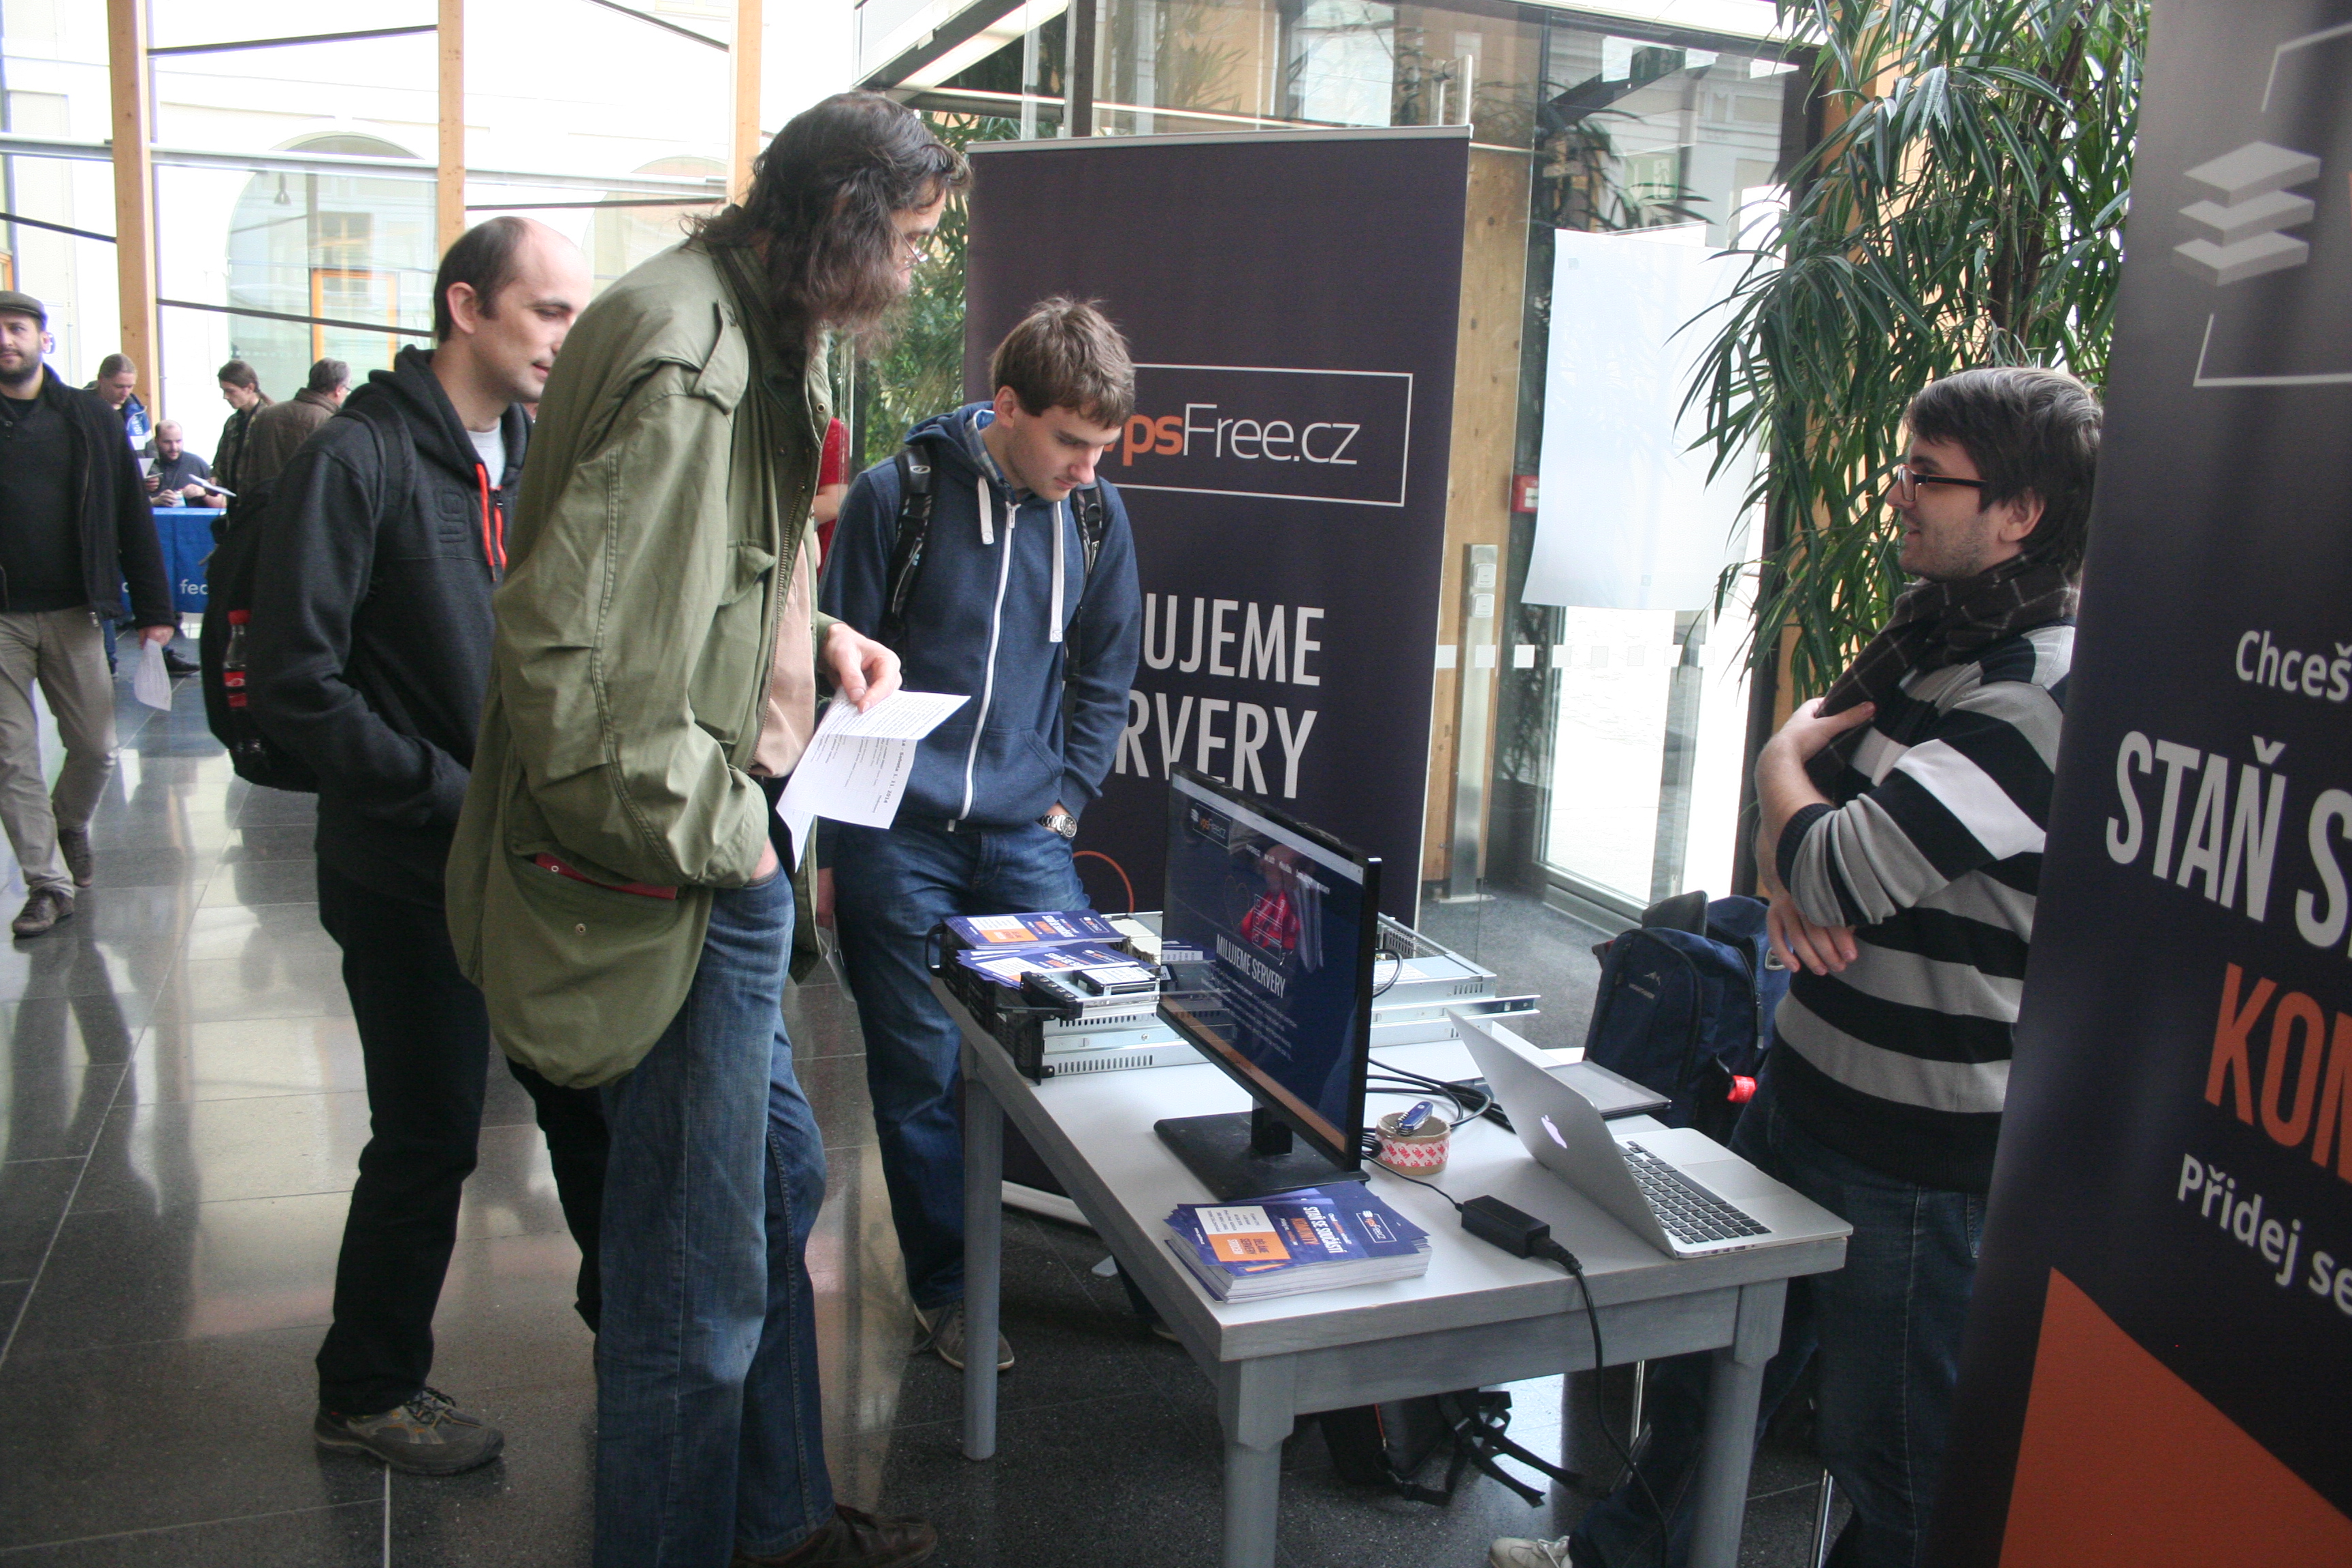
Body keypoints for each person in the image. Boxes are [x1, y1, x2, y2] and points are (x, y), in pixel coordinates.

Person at [447, 92, 954, 1567]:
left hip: (703, 850)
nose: (918, 270)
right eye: (913, 239)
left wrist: (818, 637)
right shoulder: (694, 358)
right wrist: (730, 836)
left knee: (774, 1188)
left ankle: (779, 1521)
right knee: (693, 1285)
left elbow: (702, 572)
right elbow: (569, 661)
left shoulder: (742, 316)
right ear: (847, 224)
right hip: (681, 867)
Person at [1495, 367, 2100, 1568]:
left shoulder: (2036, 693)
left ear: (2020, 512)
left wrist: (1782, 767)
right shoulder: (1929, 639)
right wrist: (1796, 864)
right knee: (1715, 1387)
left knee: (1896, 1462)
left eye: (1926, 475)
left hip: (1917, 1156)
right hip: (1808, 1085)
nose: (1897, 493)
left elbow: (1823, 837)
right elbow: (1807, 848)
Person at [243, 218, 612, 1477]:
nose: (567, 337)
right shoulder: (358, 458)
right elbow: (296, 685)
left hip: (531, 863)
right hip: (408, 869)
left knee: (586, 1106)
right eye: (548, 311)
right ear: (467, 306)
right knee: (429, 1133)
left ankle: (635, 1337)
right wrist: (451, 793)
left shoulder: (535, 453)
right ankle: (366, 1386)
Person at [820, 297, 1141, 1373]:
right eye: (1072, 442)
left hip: (1023, 832)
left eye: (1103, 448)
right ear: (1007, 407)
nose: (1088, 469)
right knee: (917, 1071)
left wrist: (1068, 798)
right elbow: (832, 671)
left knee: (1094, 1040)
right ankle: (951, 1290)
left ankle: (1153, 1269)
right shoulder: (897, 496)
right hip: (896, 834)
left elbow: (1106, 669)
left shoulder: (1095, 517)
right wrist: (834, 850)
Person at [0, 292, 176, 934]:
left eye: (16, 328)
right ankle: (47, 883)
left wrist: (154, 606)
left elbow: (131, 511)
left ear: (43, 340)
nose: (5, 340)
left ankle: (67, 821)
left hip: (75, 609)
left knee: (97, 747)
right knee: (11, 755)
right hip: (2, 619)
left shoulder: (87, 418)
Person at [241, 356, 348, 489]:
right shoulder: (332, 424)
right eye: (347, 389)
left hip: (266, 499)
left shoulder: (266, 415)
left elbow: (250, 470)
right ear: (338, 389)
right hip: (306, 500)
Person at [213, 358, 271, 495]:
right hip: (235, 500)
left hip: (260, 500)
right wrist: (215, 481)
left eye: (231, 391)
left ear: (250, 388)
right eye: (224, 391)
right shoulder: (233, 422)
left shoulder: (270, 420)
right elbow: (221, 463)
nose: (226, 397)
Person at [87, 352, 151, 449]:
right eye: (119, 386)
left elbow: (150, 450)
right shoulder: (82, 410)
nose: (125, 393)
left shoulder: (138, 413)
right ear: (101, 379)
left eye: (130, 387)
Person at [145, 421, 214, 505]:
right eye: (167, 442)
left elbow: (223, 503)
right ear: (156, 441)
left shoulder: (197, 463)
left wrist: (204, 493)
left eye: (178, 441)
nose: (174, 448)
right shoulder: (146, 466)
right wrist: (155, 501)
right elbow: (131, 504)